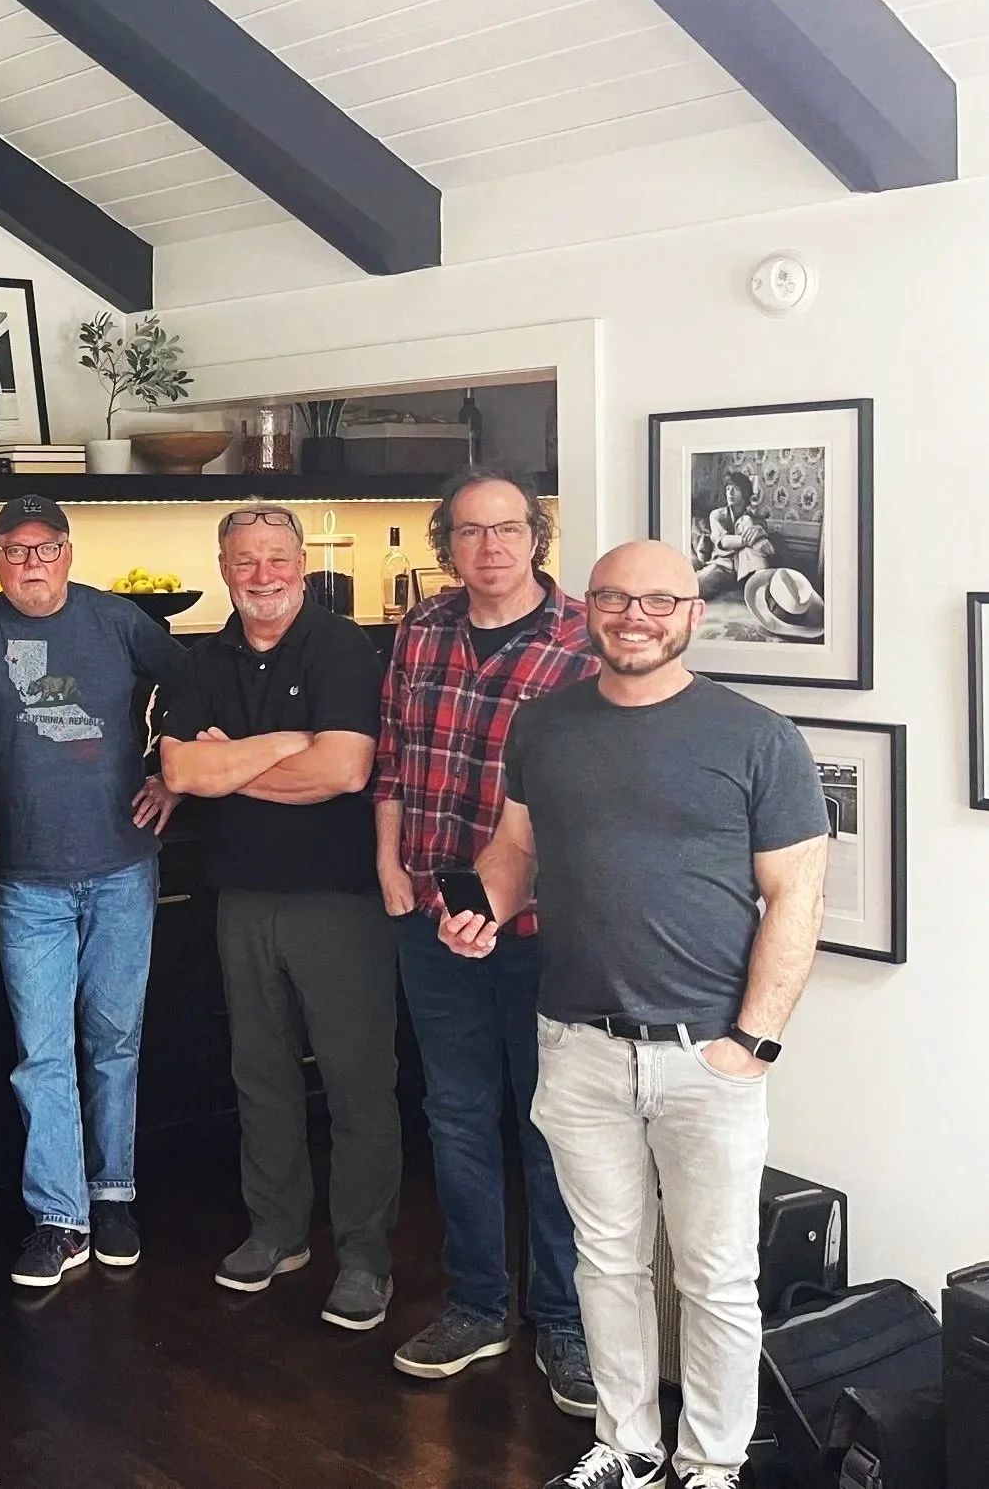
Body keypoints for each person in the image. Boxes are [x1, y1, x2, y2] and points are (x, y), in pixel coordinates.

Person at [445, 540, 828, 1489]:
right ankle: (627, 1444)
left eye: (658, 599)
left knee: (716, 1278)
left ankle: (712, 1461)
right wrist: (481, 907)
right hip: (576, 1044)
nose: (635, 615)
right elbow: (514, 847)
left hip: (709, 1053)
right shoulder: (544, 727)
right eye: (615, 596)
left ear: (692, 612)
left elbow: (797, 898)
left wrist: (753, 1042)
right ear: (589, 610)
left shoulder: (757, 737)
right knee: (604, 1263)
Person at [378, 470, 598, 1412]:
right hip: (431, 913)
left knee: (554, 1127)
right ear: (447, 544)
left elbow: (599, 792)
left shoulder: (588, 637)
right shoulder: (421, 631)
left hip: (549, 929)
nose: (491, 548)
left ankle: (564, 1323)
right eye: (470, 533)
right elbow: (392, 753)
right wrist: (389, 865)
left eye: (508, 529)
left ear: (536, 537)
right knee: (456, 1115)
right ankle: (476, 1305)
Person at [158, 507, 398, 1333]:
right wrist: (277, 745)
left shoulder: (340, 646)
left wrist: (233, 761)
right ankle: (278, 1232)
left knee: (357, 1079)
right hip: (244, 895)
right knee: (259, 1073)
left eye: (276, 557)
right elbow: (182, 766)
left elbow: (343, 768)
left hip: (339, 898)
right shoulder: (204, 655)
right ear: (223, 566)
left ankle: (364, 1255)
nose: (262, 573)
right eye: (244, 559)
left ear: (302, 562)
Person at [0, 494, 187, 1287]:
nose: (32, 562)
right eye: (16, 550)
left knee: (114, 1044)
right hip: (26, 881)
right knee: (40, 1055)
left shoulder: (117, 620)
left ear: (69, 553)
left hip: (121, 867)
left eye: (45, 548)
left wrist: (171, 777)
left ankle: (113, 1194)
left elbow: (192, 688)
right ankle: (60, 1215)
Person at [689, 471, 776, 600]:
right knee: (695, 587)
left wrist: (761, 533)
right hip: (723, 566)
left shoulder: (756, 520)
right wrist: (751, 540)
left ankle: (763, 596)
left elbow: (767, 549)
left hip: (746, 567)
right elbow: (723, 541)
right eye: (728, 488)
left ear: (745, 493)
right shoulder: (717, 515)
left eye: (735, 488)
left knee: (747, 524)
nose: (730, 492)